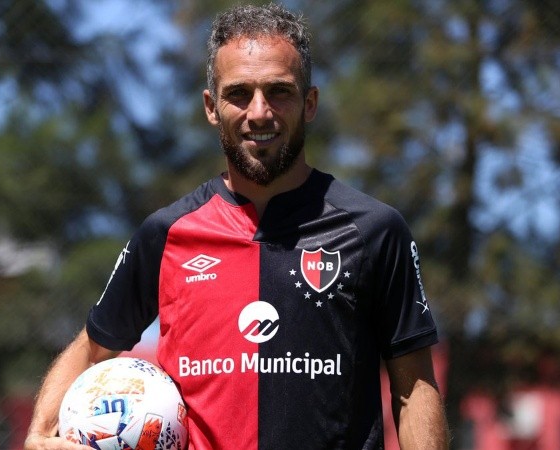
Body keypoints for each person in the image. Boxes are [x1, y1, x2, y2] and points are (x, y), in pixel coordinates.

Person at [25, 3, 449, 449]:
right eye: (239, 93)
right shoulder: (166, 233)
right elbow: (93, 346)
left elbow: (414, 388)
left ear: (310, 103)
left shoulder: (375, 230)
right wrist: (37, 436)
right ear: (211, 107)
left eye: (279, 92)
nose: (260, 112)